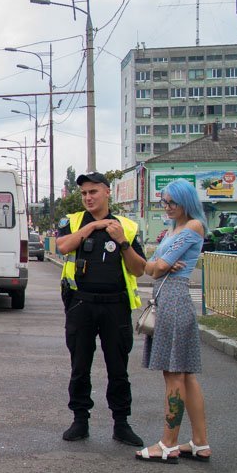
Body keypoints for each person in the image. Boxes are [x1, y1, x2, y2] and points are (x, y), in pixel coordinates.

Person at [55, 171, 148, 446]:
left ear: (107, 192)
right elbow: (62, 247)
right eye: (84, 193)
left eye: (93, 192)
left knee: (118, 368)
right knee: (79, 366)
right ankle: (80, 420)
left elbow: (138, 269)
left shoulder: (126, 227)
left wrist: (122, 241)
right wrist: (90, 229)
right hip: (81, 303)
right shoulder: (72, 221)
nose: (88, 197)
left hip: (115, 305)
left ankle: (121, 423)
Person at [136, 179, 210, 463]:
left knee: (174, 373)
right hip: (170, 300)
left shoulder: (192, 227)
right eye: (163, 202)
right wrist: (158, 263)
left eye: (171, 203)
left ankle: (168, 444)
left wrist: (159, 264)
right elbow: (150, 264)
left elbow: (158, 268)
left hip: (174, 301)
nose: (166, 207)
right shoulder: (173, 229)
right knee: (185, 373)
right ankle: (200, 442)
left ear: (186, 203)